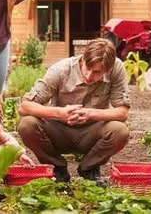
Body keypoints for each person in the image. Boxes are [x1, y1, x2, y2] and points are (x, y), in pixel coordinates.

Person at [16, 38, 130, 184]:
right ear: (82, 59)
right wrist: (59, 113)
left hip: (92, 132)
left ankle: (89, 168)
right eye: (87, 67)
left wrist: (90, 113)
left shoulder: (116, 69)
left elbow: (122, 113)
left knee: (120, 131)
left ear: (108, 69)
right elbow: (24, 107)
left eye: (97, 72)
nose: (89, 75)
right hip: (58, 130)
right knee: (27, 124)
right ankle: (57, 168)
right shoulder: (61, 69)